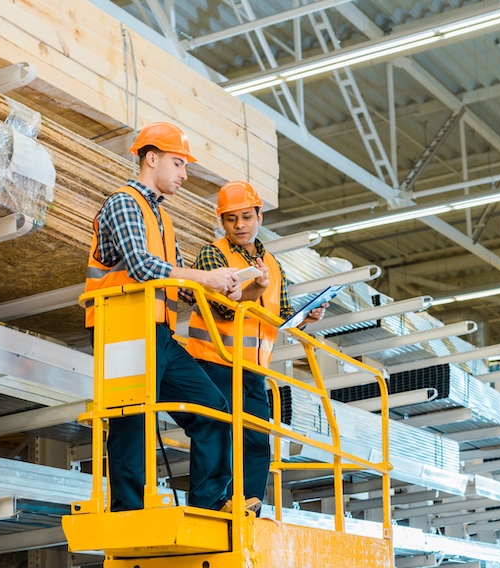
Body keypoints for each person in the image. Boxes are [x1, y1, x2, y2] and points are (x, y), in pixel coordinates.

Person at [85, 122, 243, 513]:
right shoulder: (123, 203)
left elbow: (177, 282)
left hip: (159, 334)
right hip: (122, 331)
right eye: (178, 163)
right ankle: (129, 511)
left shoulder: (163, 220)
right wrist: (204, 275)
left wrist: (214, 287)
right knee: (132, 420)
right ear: (150, 158)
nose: (184, 174)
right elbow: (141, 266)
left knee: (213, 409)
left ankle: (209, 503)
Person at [187, 180, 327, 513]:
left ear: (259, 217)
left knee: (255, 441)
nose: (239, 225)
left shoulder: (274, 266)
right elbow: (222, 307)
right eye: (231, 218)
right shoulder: (213, 254)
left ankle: (248, 505)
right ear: (222, 221)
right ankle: (212, 506)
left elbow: (279, 315)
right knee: (217, 435)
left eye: (246, 217)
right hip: (216, 363)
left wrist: (306, 316)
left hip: (253, 370)